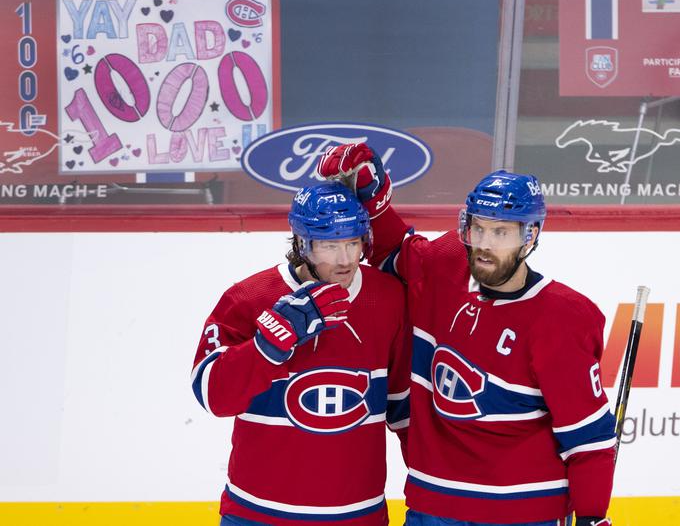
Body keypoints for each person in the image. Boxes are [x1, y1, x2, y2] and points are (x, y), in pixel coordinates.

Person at [317, 143, 616, 526]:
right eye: (479, 228)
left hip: (522, 514)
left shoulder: (563, 317)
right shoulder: (446, 265)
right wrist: (370, 196)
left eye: (502, 232)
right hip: (432, 506)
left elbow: (589, 439)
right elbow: (393, 250)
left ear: (531, 236)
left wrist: (592, 516)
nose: (486, 244)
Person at [191, 181, 411, 526]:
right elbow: (212, 395)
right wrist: (268, 345)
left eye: (353, 243)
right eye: (330, 244)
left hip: (356, 517)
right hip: (256, 514)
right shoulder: (248, 298)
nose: (345, 259)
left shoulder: (388, 298)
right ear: (302, 243)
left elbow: (405, 411)